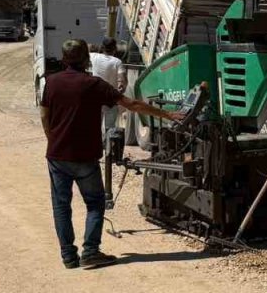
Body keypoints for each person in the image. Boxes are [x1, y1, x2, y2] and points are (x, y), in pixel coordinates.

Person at [40, 39, 184, 269]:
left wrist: (52, 139)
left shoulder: (51, 83)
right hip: (85, 156)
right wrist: (167, 114)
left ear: (64, 59)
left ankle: (68, 256)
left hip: (57, 155)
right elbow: (132, 104)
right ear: (86, 58)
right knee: (95, 204)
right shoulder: (94, 84)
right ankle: (90, 252)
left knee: (61, 206)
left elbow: (44, 116)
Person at [89, 38, 127, 139]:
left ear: (102, 47)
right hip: (110, 97)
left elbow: (87, 46)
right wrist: (121, 90)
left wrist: (95, 47)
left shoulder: (94, 56)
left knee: (95, 126)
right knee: (110, 128)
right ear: (115, 48)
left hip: (95, 97)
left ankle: (95, 147)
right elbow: (122, 81)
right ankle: (109, 148)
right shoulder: (117, 62)